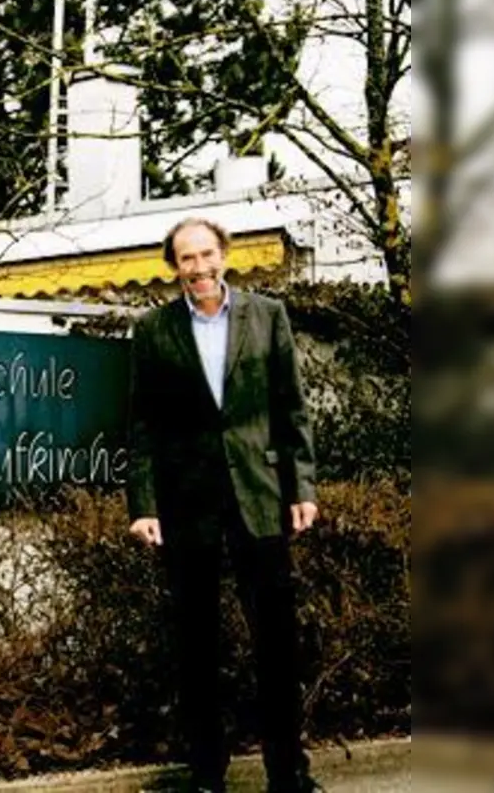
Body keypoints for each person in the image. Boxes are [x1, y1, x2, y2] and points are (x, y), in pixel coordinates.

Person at [124, 217, 321, 793]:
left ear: (224, 255)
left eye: (207, 254)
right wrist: (144, 504)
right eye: (187, 258)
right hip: (189, 511)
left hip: (260, 501)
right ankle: (208, 775)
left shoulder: (267, 316)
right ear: (174, 265)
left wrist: (301, 488)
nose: (199, 267)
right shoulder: (154, 331)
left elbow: (292, 410)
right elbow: (143, 426)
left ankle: (290, 775)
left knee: (277, 649)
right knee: (197, 650)